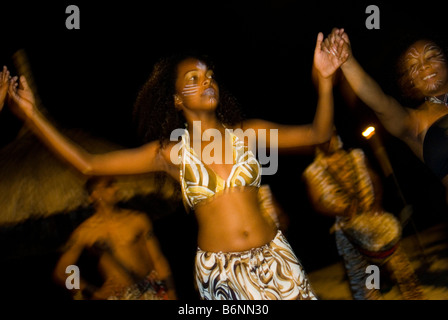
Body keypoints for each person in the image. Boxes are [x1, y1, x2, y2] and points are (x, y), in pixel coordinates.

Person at [7, 31, 342, 300]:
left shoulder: (248, 132)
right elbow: (89, 164)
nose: (207, 81)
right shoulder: (170, 154)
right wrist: (34, 118)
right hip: (221, 273)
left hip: (275, 257)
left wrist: (324, 81)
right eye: (193, 78)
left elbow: (319, 133)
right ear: (177, 99)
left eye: (209, 75)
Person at [322, 28, 448, 202]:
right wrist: (347, 60)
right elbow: (380, 102)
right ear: (409, 81)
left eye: (431, 56)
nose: (424, 66)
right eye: (413, 66)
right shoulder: (414, 122)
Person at [303, 132, 424, 300]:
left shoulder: (356, 155)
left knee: (403, 271)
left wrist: (377, 203)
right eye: (324, 139)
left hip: (376, 221)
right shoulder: (312, 172)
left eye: (332, 136)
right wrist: (341, 211)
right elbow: (317, 204)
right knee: (364, 282)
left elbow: (375, 179)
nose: (330, 142)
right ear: (317, 144)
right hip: (345, 231)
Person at [53, 176, 177, 300]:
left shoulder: (138, 219)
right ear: (95, 194)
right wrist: (93, 292)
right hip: (120, 295)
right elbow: (61, 272)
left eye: (114, 184)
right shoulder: (85, 232)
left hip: (151, 287)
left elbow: (158, 259)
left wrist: (171, 292)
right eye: (109, 185)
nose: (116, 188)